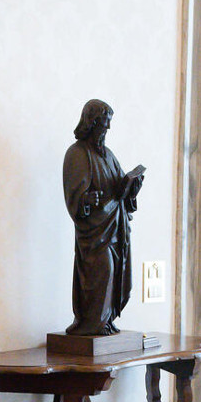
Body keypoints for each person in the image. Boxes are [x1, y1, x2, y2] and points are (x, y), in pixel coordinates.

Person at [62, 99, 144, 336]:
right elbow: (73, 196)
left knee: (115, 273)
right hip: (95, 233)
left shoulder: (108, 155)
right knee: (102, 271)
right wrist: (86, 201)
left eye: (109, 123)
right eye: (103, 123)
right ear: (91, 122)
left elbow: (119, 188)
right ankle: (91, 324)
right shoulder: (77, 154)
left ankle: (105, 321)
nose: (107, 128)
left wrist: (132, 188)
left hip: (115, 227)